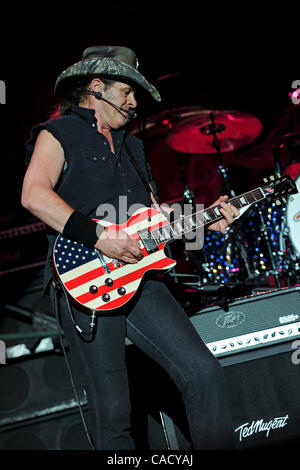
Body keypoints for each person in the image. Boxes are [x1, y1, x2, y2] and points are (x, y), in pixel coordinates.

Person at [21, 45, 239, 450]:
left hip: (141, 276)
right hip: (84, 278)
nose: (134, 103)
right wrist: (101, 237)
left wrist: (208, 221)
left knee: (202, 372)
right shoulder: (58, 133)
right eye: (127, 92)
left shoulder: (133, 148)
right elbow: (34, 195)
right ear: (97, 87)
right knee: (115, 414)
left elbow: (156, 220)